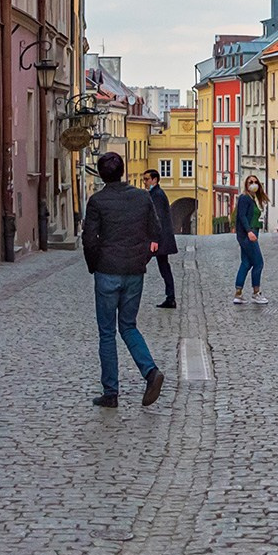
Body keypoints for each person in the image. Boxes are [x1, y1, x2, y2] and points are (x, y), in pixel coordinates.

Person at [81, 151, 165, 408]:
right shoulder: (142, 198)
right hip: (134, 272)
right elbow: (156, 233)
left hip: (107, 271)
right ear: (123, 171)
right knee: (128, 326)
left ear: (101, 174)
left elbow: (89, 239)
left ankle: (111, 392)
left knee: (107, 332)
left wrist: (94, 265)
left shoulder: (97, 201)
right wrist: (141, 259)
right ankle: (150, 372)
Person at [142, 168, 178, 308]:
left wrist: (154, 239)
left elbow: (157, 218)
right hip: (161, 238)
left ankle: (126, 292)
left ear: (154, 180)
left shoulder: (156, 195)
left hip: (158, 239)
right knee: (164, 267)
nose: (144, 182)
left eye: (146, 179)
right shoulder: (156, 193)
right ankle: (171, 297)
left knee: (139, 263)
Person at [231, 176, 268, 306]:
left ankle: (238, 294)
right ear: (246, 185)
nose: (253, 184)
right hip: (248, 235)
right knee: (258, 263)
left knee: (246, 263)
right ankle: (256, 293)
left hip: (250, 234)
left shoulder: (253, 199)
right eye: (250, 182)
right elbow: (241, 216)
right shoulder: (245, 198)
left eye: (255, 182)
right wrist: (249, 231)